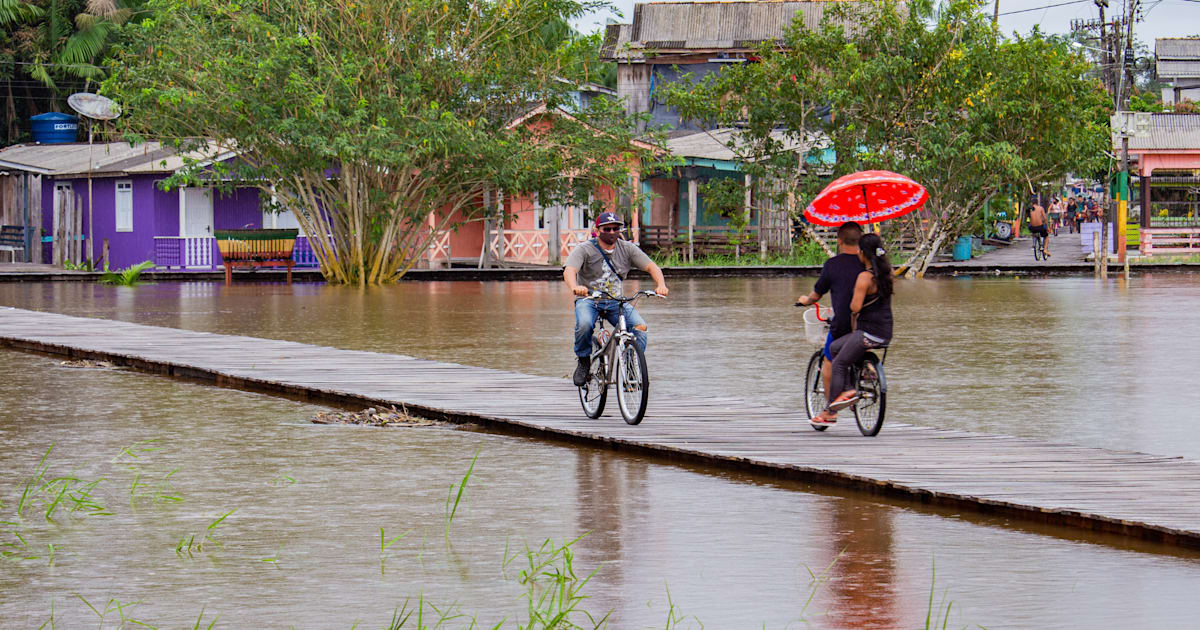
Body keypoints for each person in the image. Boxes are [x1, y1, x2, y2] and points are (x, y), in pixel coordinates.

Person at [564, 211, 669, 386]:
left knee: (640, 327)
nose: (612, 232)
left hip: (616, 301)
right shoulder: (584, 249)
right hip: (589, 299)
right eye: (607, 229)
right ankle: (583, 360)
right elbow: (569, 270)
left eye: (615, 228)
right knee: (584, 324)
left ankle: (630, 367)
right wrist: (575, 287)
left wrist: (661, 285)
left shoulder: (627, 248)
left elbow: (652, 267)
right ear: (598, 230)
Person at [811, 232, 894, 426]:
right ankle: (858, 378)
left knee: (838, 363)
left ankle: (831, 410)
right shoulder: (887, 273)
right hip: (885, 332)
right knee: (834, 347)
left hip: (866, 333)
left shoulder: (864, 277)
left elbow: (855, 308)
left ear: (863, 253)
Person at [795, 221, 866, 424]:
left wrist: (804, 301)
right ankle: (867, 372)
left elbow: (816, 295)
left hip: (844, 323)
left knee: (829, 359)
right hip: (868, 324)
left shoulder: (833, 265)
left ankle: (830, 409)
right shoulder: (869, 265)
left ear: (840, 241)